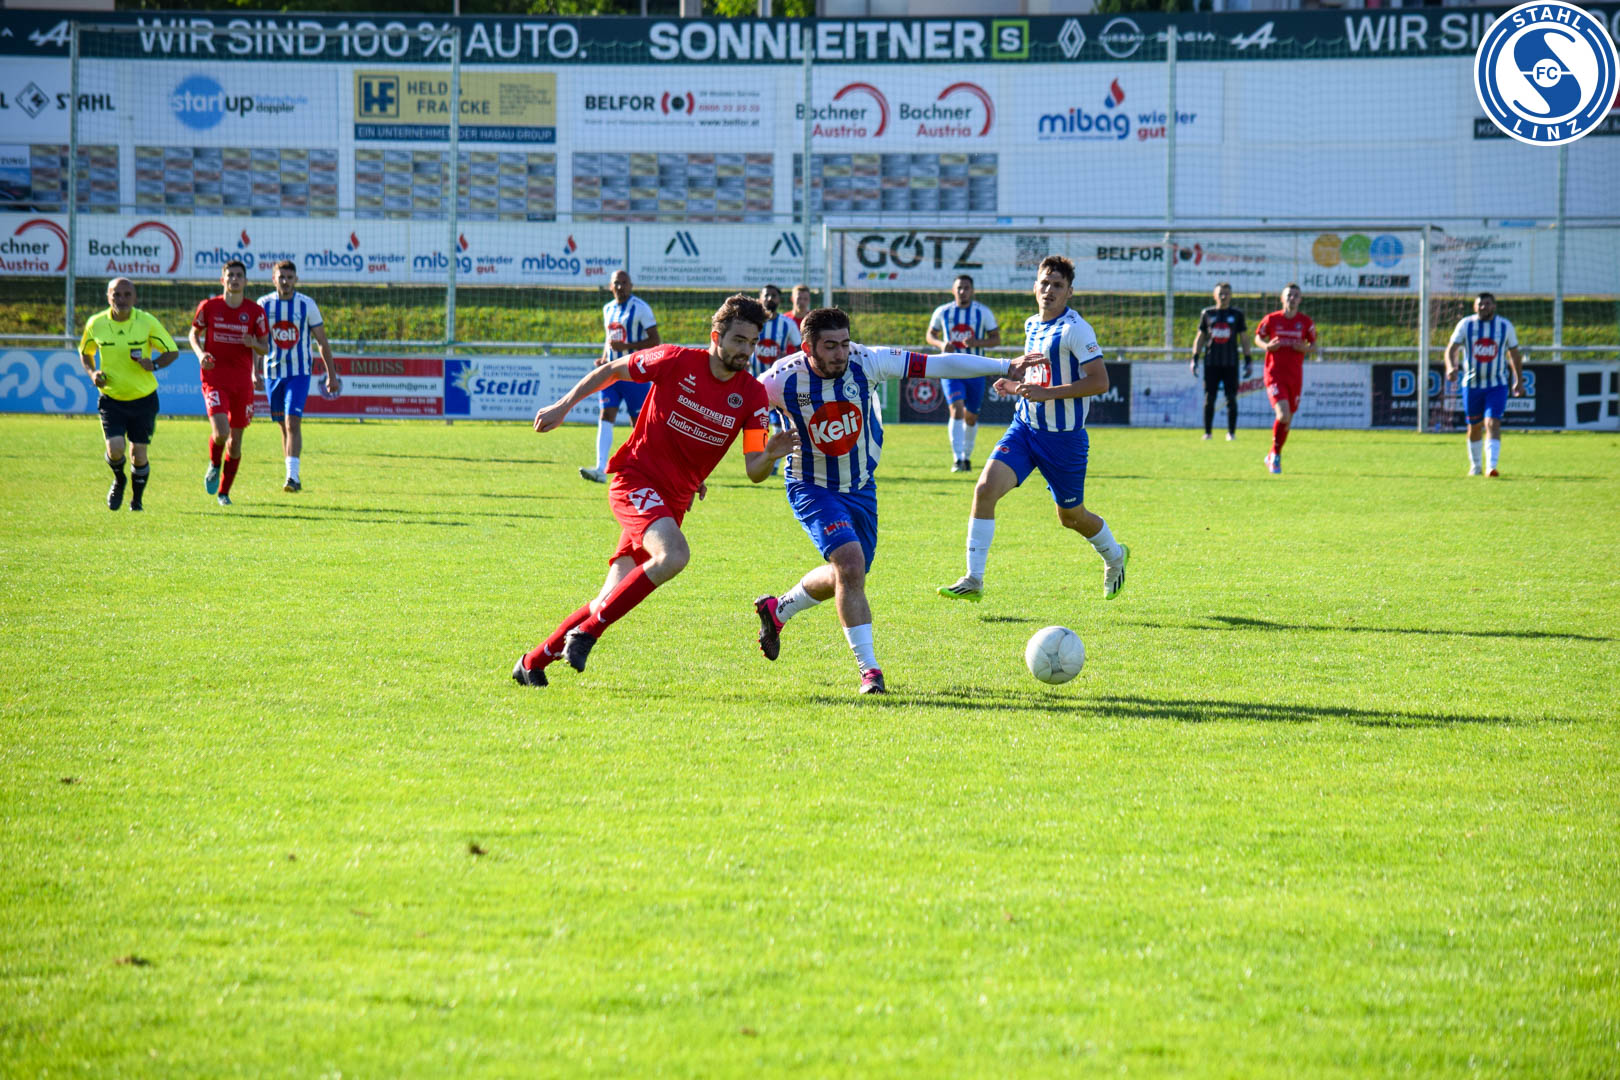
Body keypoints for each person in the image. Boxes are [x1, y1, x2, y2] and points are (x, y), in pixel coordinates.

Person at [514, 295, 796, 688]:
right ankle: (588, 633)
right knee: (674, 554)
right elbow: (612, 370)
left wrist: (769, 455)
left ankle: (532, 662)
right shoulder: (676, 360)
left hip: (672, 501)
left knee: (609, 597)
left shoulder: (752, 396)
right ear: (716, 336)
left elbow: (754, 470)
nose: (746, 351)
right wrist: (563, 406)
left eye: (752, 343)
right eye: (738, 340)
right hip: (635, 480)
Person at [754, 308, 1038, 694]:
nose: (841, 353)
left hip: (861, 487)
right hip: (812, 487)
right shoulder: (776, 382)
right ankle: (869, 671)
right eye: (830, 346)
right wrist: (764, 454)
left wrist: (1005, 364)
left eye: (845, 343)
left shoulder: (867, 361)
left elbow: (938, 364)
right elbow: (747, 436)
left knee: (848, 574)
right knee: (850, 565)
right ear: (808, 348)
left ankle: (778, 610)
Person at [938, 255, 1129, 604]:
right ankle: (974, 579)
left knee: (1071, 517)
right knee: (984, 489)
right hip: (1025, 429)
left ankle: (1115, 556)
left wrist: (1048, 394)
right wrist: (1014, 386)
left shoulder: (1076, 329)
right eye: (1044, 282)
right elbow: (1038, 376)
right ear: (1034, 287)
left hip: (1064, 440)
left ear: (1069, 292)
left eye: (1058, 285)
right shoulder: (1032, 325)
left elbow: (1100, 382)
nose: (1049, 290)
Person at [77, 277, 179, 511]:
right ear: (108, 297)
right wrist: (93, 373)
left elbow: (172, 351)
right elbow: (85, 352)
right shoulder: (96, 323)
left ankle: (137, 501)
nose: (121, 299)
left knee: (138, 454)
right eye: (116, 294)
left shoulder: (146, 322)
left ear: (135, 298)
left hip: (143, 399)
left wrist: (154, 364)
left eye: (126, 294)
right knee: (115, 449)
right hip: (111, 398)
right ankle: (119, 479)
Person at [189, 260, 269, 506]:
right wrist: (201, 355)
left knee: (235, 443)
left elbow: (265, 347)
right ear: (222, 279)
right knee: (221, 432)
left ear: (245, 281)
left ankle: (224, 493)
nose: (234, 279)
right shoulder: (209, 307)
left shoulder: (255, 312)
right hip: (214, 379)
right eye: (230, 275)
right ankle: (214, 464)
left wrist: (253, 344)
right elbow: (193, 334)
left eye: (238, 275)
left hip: (242, 383)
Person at [257, 260, 338, 493]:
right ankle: (292, 475)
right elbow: (258, 341)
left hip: (299, 372)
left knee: (292, 421)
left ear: (296, 280)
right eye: (281, 277)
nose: (285, 281)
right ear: (274, 279)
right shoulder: (263, 304)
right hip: (273, 373)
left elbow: (321, 341)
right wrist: (255, 371)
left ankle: (292, 477)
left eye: (289, 277)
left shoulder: (306, 304)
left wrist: (331, 375)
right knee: (283, 426)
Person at [581, 270, 660, 484]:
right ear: (610, 286)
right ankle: (600, 468)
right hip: (611, 372)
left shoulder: (641, 308)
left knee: (638, 423)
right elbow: (610, 340)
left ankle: (649, 469)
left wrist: (626, 347)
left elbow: (655, 341)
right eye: (616, 283)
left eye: (624, 283)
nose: (620, 287)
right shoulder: (608, 309)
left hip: (634, 373)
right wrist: (604, 358)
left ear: (631, 285)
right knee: (606, 414)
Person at [925, 274, 1002, 472]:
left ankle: (967, 457)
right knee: (956, 409)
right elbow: (930, 335)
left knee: (971, 416)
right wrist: (941, 344)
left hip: (976, 369)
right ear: (953, 290)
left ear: (972, 291)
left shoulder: (982, 312)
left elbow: (996, 339)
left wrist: (977, 342)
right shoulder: (943, 312)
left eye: (966, 288)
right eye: (959, 288)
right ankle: (957, 458)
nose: (962, 291)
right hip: (950, 367)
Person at [1444, 292, 1524, 477]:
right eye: (1480, 304)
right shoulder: (1466, 324)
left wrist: (1518, 380)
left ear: (1494, 306)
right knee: (1474, 426)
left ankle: (1491, 466)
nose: (1483, 307)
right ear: (1474, 307)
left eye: (1487, 304)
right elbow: (1451, 349)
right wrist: (1450, 367)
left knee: (1492, 422)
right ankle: (1476, 466)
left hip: (1497, 384)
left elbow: (1514, 354)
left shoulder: (1505, 326)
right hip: (1471, 385)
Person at [1253, 283, 1316, 475]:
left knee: (1287, 420)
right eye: (1289, 295)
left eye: (1296, 295)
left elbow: (1314, 345)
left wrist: (1304, 348)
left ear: (1300, 299)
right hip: (1274, 374)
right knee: (1283, 415)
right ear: (1282, 298)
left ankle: (1273, 454)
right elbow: (1258, 337)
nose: (1292, 298)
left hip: (1294, 376)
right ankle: (1275, 456)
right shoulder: (1272, 319)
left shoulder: (1305, 322)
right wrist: (1267, 346)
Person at [1189, 282, 1251, 441]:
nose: (1223, 297)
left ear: (1231, 296)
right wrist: (1194, 359)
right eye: (1220, 294)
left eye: (1226, 294)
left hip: (1231, 364)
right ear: (1214, 295)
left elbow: (1244, 338)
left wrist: (1248, 360)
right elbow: (1200, 337)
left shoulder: (1237, 314)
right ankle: (1208, 433)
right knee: (1209, 398)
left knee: (1231, 398)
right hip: (1211, 363)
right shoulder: (1207, 313)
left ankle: (1231, 433)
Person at [751, 284, 802, 378]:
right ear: (760, 298)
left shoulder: (788, 323)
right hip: (753, 377)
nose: (770, 298)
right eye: (766, 295)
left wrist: (789, 360)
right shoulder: (751, 321)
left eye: (774, 296)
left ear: (779, 300)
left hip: (777, 379)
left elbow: (800, 348)